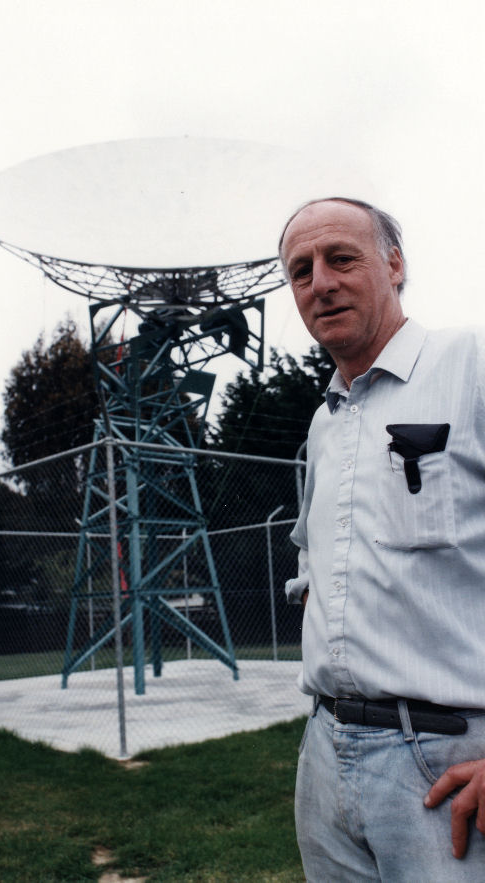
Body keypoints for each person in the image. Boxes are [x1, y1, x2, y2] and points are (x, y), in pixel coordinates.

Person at [279, 197, 485, 881]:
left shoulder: (470, 367)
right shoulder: (324, 424)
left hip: (445, 762)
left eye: (342, 258)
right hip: (326, 758)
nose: (321, 283)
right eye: (301, 270)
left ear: (394, 264)